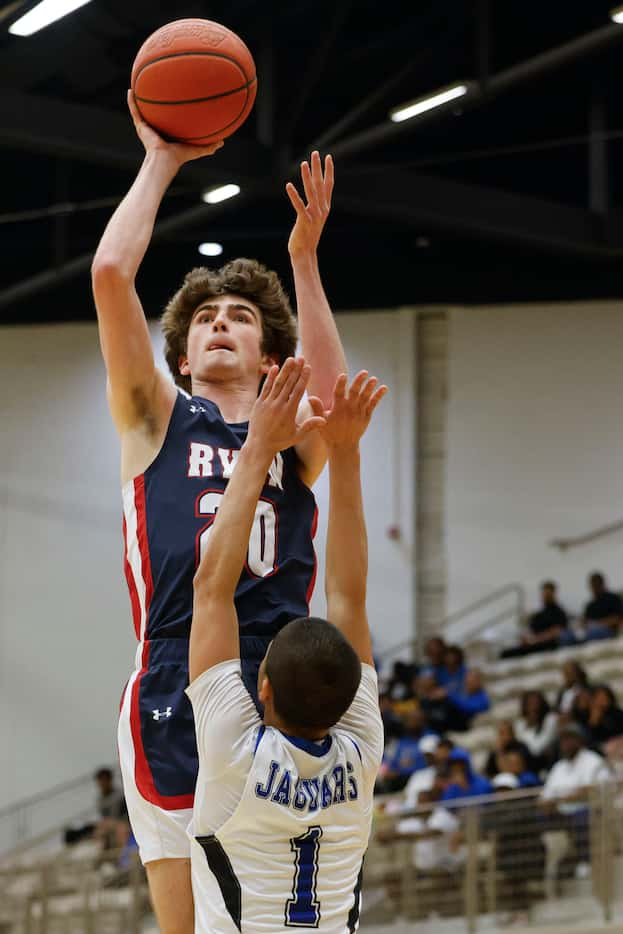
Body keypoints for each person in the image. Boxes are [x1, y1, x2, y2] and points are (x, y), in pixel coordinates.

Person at [92, 91, 346, 932]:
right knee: (188, 927)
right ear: (182, 351)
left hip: (286, 683)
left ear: (272, 351)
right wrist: (162, 158)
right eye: (204, 318)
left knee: (276, 915)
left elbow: (335, 400)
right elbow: (109, 276)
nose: (220, 325)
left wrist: (303, 263)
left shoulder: (291, 432)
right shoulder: (155, 420)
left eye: (239, 316)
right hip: (174, 676)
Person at [186, 364, 387, 932]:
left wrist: (261, 448)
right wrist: (341, 454)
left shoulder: (242, 758)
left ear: (263, 684)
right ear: (350, 700)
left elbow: (345, 600)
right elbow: (343, 596)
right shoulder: (356, 749)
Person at [500, 581, 569, 657]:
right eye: (544, 594)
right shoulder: (539, 614)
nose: (545, 596)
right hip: (534, 643)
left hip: (548, 644)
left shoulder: (559, 612)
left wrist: (535, 640)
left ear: (553, 594)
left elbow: (557, 631)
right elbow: (530, 631)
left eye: (548, 594)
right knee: (505, 653)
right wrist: (527, 639)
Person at [514, 691, 558, 774]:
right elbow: (521, 746)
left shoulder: (550, 719)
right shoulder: (520, 724)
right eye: (530, 704)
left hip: (546, 761)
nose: (533, 707)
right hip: (527, 763)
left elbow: (539, 747)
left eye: (536, 703)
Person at [576, 572, 623, 642]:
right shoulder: (590, 605)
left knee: (593, 632)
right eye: (592, 586)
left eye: (595, 585)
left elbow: (618, 618)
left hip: (609, 631)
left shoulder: (613, 598)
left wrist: (599, 624)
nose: (593, 588)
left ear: (601, 584)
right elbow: (584, 622)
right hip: (592, 631)